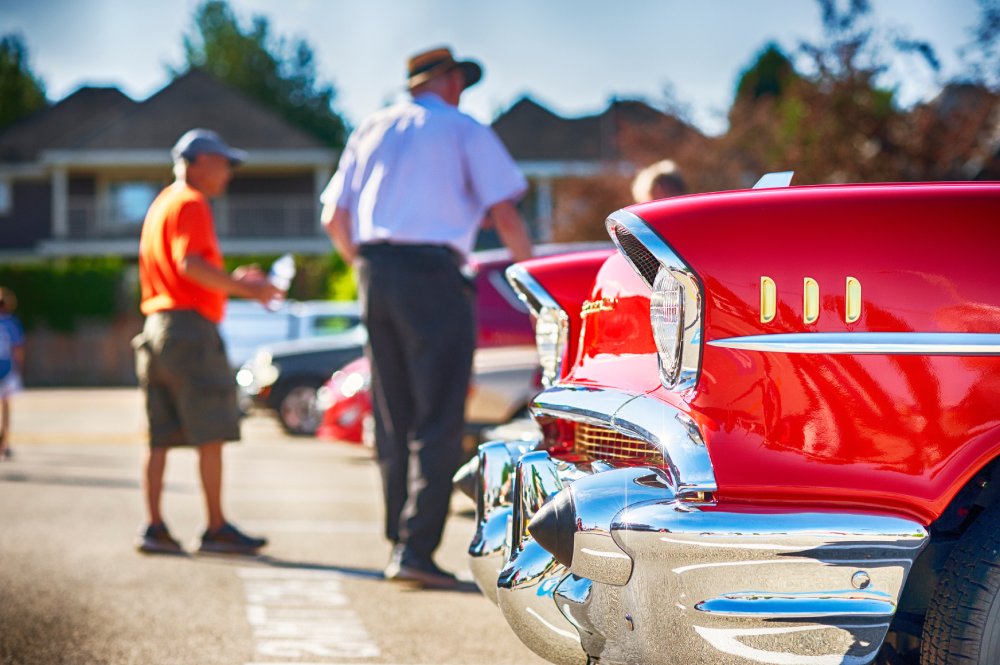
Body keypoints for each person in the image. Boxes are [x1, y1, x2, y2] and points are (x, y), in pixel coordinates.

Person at [321, 46, 533, 588]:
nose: (463, 89)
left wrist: (368, 268)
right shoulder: (461, 128)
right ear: (445, 79)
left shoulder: (371, 126)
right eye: (461, 79)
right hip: (433, 274)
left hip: (374, 271)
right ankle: (416, 551)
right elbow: (504, 210)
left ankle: (399, 542)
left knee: (394, 415)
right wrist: (535, 282)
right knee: (439, 416)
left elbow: (333, 218)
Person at [133, 128, 282, 555]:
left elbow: (182, 267)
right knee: (211, 432)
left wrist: (232, 281)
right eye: (223, 163)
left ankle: (154, 526)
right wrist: (248, 289)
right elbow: (190, 264)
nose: (229, 173)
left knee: (159, 436)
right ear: (197, 162)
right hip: (189, 332)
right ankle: (216, 528)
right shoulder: (191, 202)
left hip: (155, 328)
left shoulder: (162, 203)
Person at [0, 287, 25, 460]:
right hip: (7, 367)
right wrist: (20, 367)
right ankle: (5, 441)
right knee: (6, 405)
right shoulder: (11, 323)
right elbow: (17, 348)